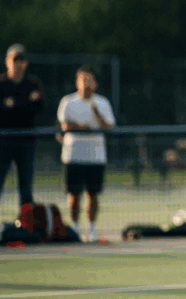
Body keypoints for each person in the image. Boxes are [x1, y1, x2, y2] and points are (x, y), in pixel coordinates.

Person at [0, 44, 44, 245]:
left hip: (26, 142)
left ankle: (27, 227)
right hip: (2, 143)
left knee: (26, 189)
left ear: (26, 63)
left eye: (22, 60)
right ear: (8, 61)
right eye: (15, 60)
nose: (18, 64)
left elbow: (39, 107)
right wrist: (25, 103)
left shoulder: (33, 83)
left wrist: (14, 103)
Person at [56, 65, 115, 242]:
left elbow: (109, 126)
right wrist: (83, 127)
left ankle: (91, 228)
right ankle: (75, 227)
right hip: (73, 155)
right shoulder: (68, 101)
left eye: (89, 79)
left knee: (93, 193)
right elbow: (65, 125)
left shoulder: (102, 103)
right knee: (74, 193)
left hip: (95, 156)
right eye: (82, 79)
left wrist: (96, 113)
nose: (86, 83)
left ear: (95, 83)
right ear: (77, 82)